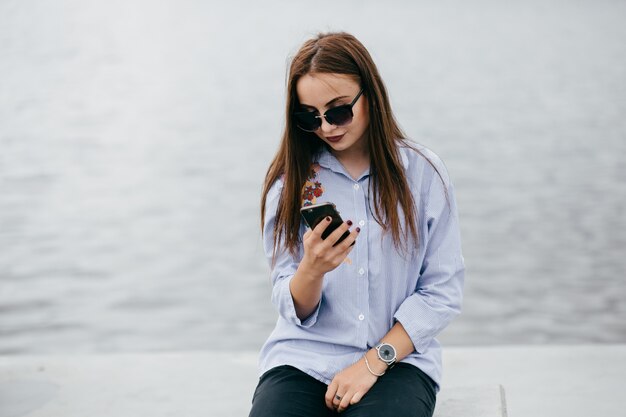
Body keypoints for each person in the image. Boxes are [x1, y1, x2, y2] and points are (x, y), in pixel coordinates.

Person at [249, 31, 465, 417]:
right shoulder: (288, 184)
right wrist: (311, 271)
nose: (327, 127)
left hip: (398, 363)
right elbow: (288, 300)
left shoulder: (423, 174)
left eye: (338, 110)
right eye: (309, 116)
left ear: (370, 95)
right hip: (302, 360)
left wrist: (371, 364)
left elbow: (441, 293)